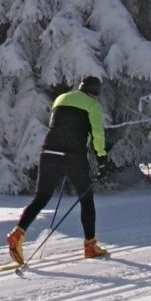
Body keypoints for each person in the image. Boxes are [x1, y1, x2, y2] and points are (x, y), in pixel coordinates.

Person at [6, 75, 111, 264]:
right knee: (86, 199)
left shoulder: (61, 99)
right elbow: (97, 134)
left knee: (41, 198)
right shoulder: (93, 105)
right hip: (73, 156)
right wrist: (102, 159)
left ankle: (18, 233)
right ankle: (90, 246)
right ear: (95, 93)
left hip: (48, 152)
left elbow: (57, 126)